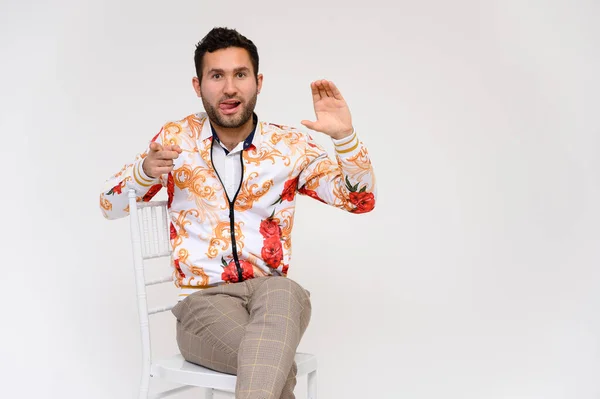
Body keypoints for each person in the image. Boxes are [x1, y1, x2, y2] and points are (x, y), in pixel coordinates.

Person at [100, 27, 376, 399]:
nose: (229, 88)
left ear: (258, 82)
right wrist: (145, 172)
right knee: (274, 365)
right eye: (217, 76)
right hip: (203, 306)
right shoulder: (176, 140)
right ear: (198, 86)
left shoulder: (290, 146)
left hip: (273, 294)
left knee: (284, 293)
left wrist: (345, 137)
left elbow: (358, 200)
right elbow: (110, 206)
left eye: (240, 75)